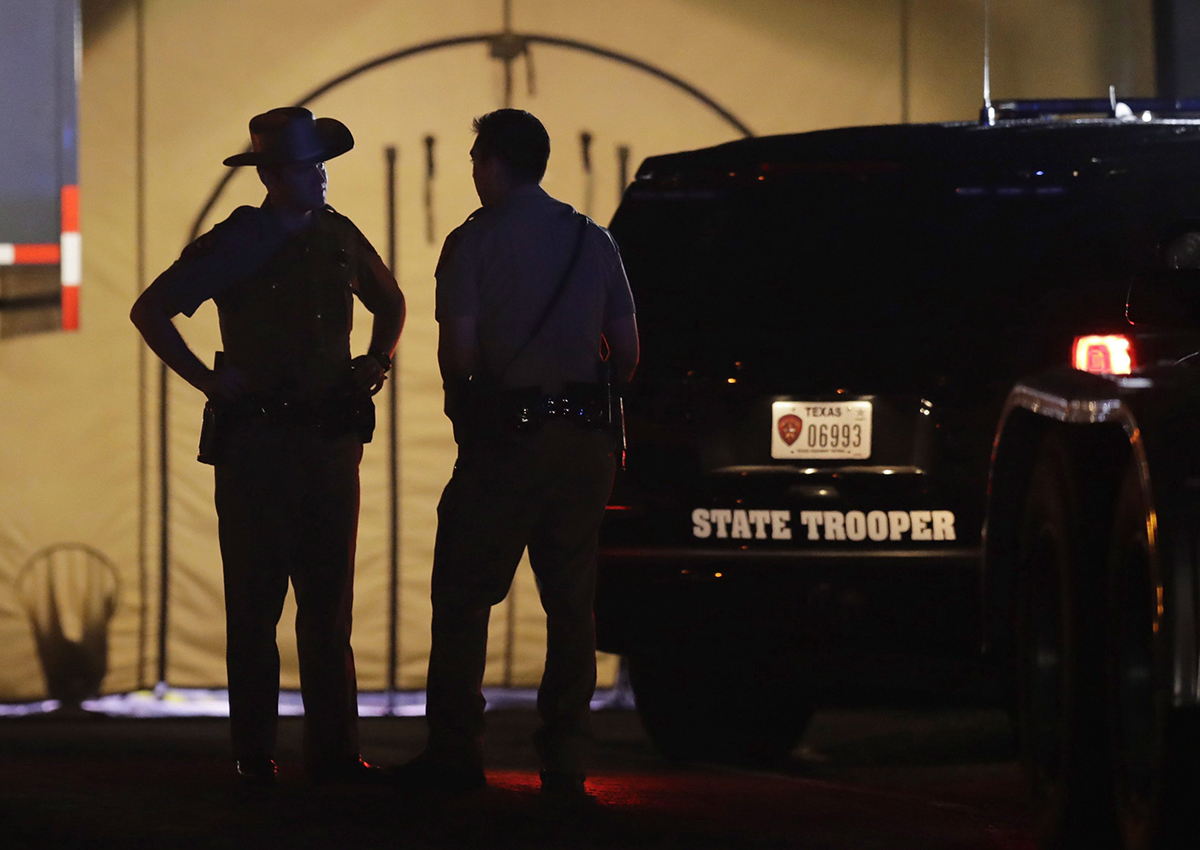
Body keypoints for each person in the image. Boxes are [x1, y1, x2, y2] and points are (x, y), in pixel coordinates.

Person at [130, 107, 405, 785]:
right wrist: (209, 381)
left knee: (327, 605)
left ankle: (335, 755)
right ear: (276, 176)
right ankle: (255, 757)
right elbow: (150, 310)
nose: (321, 178)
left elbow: (392, 303)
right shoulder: (236, 242)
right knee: (255, 605)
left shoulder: (337, 236)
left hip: (327, 443)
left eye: (321, 165)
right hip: (257, 444)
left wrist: (376, 359)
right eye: (310, 167)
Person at [402, 108, 639, 799]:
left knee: (464, 593)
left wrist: (475, 410)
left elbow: (460, 355)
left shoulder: (471, 245)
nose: (473, 171)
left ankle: (455, 751)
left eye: (476, 159)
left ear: (494, 164)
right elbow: (625, 356)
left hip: (507, 441)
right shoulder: (592, 240)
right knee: (571, 605)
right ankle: (565, 759)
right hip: (586, 445)